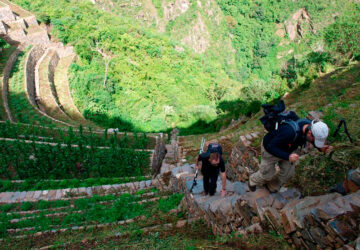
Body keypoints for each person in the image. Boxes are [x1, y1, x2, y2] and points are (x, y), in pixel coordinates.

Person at [249, 120, 333, 193]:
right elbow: (271, 146)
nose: (314, 141)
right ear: (310, 133)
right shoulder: (289, 132)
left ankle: (272, 186)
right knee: (267, 174)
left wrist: (320, 148)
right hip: (270, 150)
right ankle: (252, 181)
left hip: (287, 149)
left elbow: (310, 139)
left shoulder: (309, 127)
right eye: (315, 140)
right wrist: (287, 156)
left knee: (288, 172)